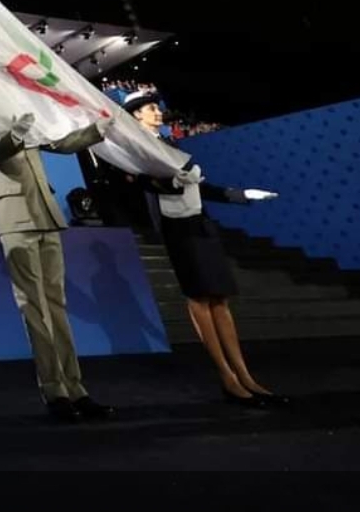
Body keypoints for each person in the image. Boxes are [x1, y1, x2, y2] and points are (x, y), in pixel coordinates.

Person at [123, 90, 287, 407]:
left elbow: (198, 185)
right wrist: (175, 182)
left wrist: (242, 195)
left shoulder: (168, 143)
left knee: (220, 298)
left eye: (157, 107)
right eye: (151, 108)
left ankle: (245, 375)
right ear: (136, 115)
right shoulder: (136, 146)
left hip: (200, 222)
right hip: (177, 228)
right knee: (199, 299)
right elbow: (140, 181)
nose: (158, 112)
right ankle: (227, 376)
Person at [0, 112, 116, 422]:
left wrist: (95, 130)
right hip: (16, 219)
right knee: (34, 309)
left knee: (57, 307)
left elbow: (60, 143)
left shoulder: (28, 117)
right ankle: (55, 392)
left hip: (47, 215)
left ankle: (76, 389)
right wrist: (16, 133)